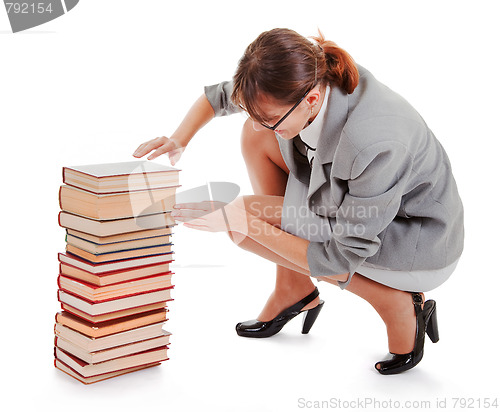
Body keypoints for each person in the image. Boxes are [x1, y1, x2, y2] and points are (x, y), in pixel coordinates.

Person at [132, 28, 464, 375]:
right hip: (349, 204)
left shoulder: (374, 142)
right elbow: (217, 98)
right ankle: (293, 286)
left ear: (312, 100)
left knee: (245, 222)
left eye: (273, 120)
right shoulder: (298, 78)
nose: (265, 125)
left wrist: (242, 220)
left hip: (413, 239)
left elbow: (340, 257)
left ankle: (395, 303)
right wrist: (178, 139)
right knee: (253, 138)